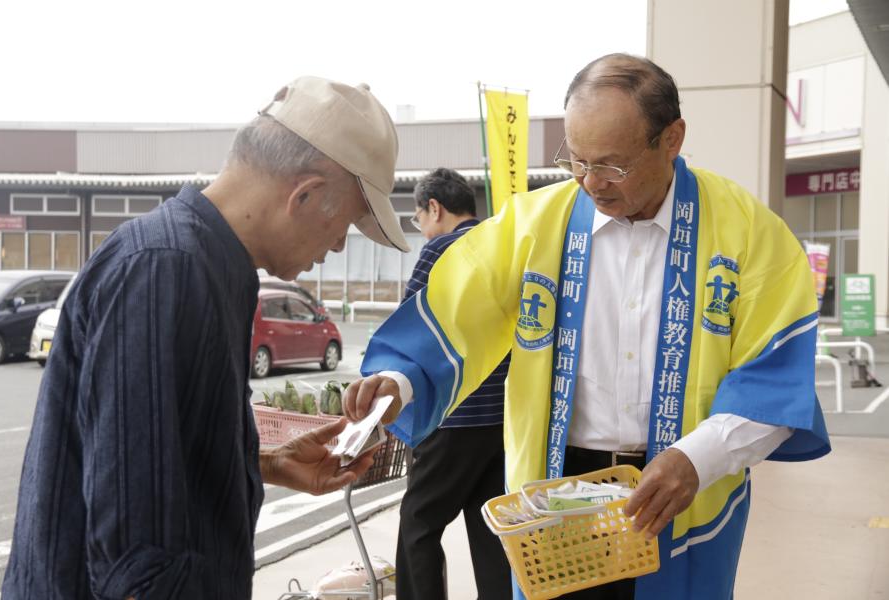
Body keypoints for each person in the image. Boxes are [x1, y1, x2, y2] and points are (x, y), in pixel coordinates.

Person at [344, 54, 830, 600]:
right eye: (577, 160)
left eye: (613, 166)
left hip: (684, 491)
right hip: (556, 499)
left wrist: (698, 458)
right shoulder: (533, 226)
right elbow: (457, 311)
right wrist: (399, 381)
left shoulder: (747, 232)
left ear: (672, 139)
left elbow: (774, 379)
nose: (591, 183)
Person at [2, 76, 408, 599]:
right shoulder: (167, 269)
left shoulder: (207, 266)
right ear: (304, 194)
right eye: (347, 223)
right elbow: (135, 552)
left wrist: (263, 463)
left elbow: (161, 450)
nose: (335, 245)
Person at [388, 168, 511, 600]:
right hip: (501, 419)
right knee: (491, 530)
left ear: (434, 208)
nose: (422, 229)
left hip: (454, 416)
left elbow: (410, 331)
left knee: (418, 525)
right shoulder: (505, 245)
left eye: (420, 218)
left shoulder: (441, 250)